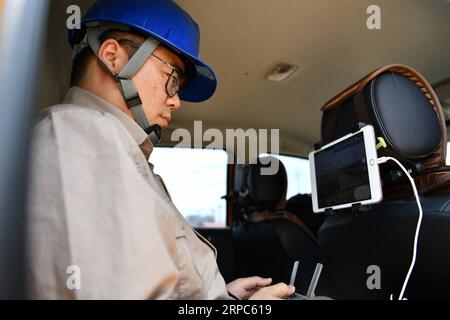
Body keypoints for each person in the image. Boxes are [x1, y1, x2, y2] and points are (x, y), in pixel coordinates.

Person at [26, 0, 295, 300]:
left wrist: (226, 298)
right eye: (173, 79)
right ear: (112, 57)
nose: (176, 101)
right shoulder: (78, 136)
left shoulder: (116, 149)